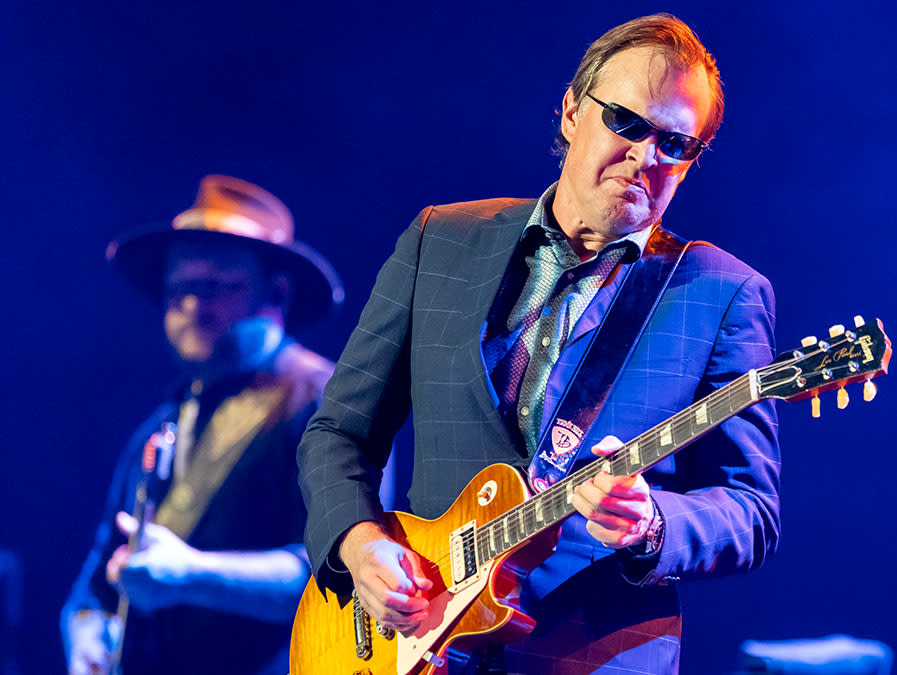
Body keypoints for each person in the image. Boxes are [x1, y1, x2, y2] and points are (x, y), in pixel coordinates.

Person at [298, 13, 780, 674]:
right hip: (411, 645)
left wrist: (653, 522)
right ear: (572, 112)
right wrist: (358, 542)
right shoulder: (439, 239)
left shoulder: (721, 292)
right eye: (628, 123)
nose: (647, 156)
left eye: (677, 143)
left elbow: (751, 509)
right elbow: (338, 433)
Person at [62, 175, 344, 674]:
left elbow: (343, 571)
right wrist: (85, 631)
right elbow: (96, 578)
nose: (192, 306)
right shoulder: (158, 426)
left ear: (275, 291)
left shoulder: (328, 401)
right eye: (178, 289)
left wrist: (190, 574)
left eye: (213, 287)